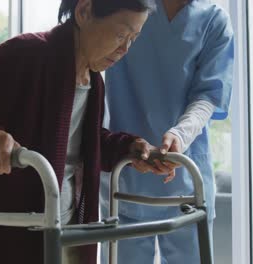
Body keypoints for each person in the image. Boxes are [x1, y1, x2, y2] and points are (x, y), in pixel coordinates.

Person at [0, 0, 165, 263]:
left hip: (70, 229)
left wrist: (129, 148)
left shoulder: (93, 79)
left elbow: (80, 144)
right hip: (16, 233)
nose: (125, 49)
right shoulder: (25, 54)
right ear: (84, 12)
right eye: (121, 34)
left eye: (134, 38)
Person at [100, 0, 234, 263]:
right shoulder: (127, 8)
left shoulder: (214, 21)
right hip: (126, 174)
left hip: (186, 177)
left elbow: (209, 95)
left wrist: (181, 135)